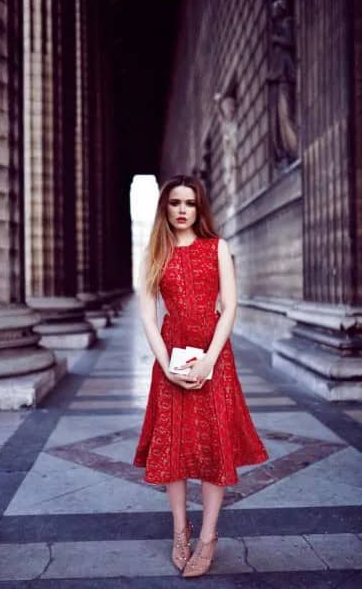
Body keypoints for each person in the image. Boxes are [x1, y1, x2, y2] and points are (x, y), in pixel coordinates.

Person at [132, 174, 269, 577]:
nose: (181, 210)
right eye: (174, 203)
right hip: (171, 355)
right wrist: (166, 367)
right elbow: (147, 316)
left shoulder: (216, 247)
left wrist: (210, 358)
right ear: (165, 207)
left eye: (189, 203)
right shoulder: (155, 252)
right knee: (173, 443)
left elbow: (229, 306)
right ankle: (180, 531)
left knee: (213, 444)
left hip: (214, 356)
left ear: (199, 208)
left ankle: (207, 537)